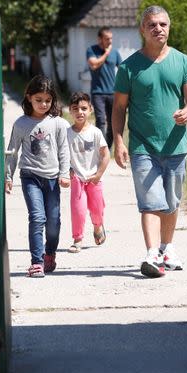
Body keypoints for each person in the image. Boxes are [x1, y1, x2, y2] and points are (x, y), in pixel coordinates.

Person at [112, 5, 187, 278]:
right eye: (152, 25)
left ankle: (167, 248)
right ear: (143, 30)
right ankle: (152, 253)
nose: (158, 29)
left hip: (175, 144)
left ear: (169, 28)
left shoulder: (183, 61)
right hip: (142, 146)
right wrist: (118, 140)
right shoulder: (129, 67)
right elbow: (118, 108)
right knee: (150, 201)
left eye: (163, 24)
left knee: (171, 201)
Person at [5, 75, 70, 278]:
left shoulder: (58, 123)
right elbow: (12, 151)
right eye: (38, 99)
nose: (43, 104)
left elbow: (64, 150)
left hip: (52, 179)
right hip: (30, 176)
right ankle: (36, 262)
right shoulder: (22, 124)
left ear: (53, 100)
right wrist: (8, 176)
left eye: (47, 100)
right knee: (37, 217)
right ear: (29, 98)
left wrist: (64, 173)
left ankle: (49, 253)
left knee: (53, 222)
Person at [67, 91, 110, 254]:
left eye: (84, 108)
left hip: (94, 179)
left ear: (90, 110)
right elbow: (62, 156)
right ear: (70, 111)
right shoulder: (67, 134)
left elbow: (105, 155)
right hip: (77, 179)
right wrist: (66, 171)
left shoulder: (96, 132)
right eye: (75, 109)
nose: (80, 112)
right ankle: (77, 239)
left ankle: (98, 226)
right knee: (78, 209)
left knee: (97, 208)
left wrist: (98, 174)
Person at [87, 26, 122, 148]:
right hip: (97, 92)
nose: (110, 41)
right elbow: (94, 65)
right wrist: (106, 53)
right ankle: (101, 148)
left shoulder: (115, 52)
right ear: (100, 39)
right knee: (101, 120)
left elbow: (122, 69)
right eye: (107, 39)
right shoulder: (91, 50)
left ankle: (107, 148)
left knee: (113, 122)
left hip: (113, 93)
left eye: (111, 38)